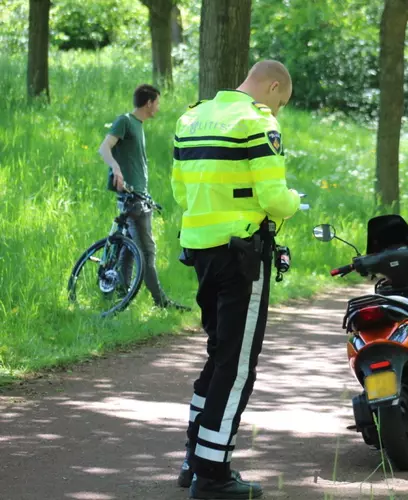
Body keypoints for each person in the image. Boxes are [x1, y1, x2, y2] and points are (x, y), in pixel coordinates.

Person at [171, 60, 300, 499]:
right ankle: (212, 473)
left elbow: (180, 193)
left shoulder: (192, 117)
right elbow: (273, 198)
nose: (277, 111)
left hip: (201, 249)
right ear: (274, 86)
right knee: (237, 364)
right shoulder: (256, 122)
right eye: (280, 103)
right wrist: (294, 201)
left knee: (219, 354)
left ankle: (195, 455)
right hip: (242, 254)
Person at [98, 84, 189, 311]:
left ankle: (119, 298)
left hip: (140, 196)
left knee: (130, 251)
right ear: (148, 103)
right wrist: (116, 169)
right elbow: (104, 148)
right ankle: (160, 301)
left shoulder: (138, 126)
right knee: (147, 252)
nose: (158, 107)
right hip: (132, 199)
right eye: (157, 102)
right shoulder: (125, 121)